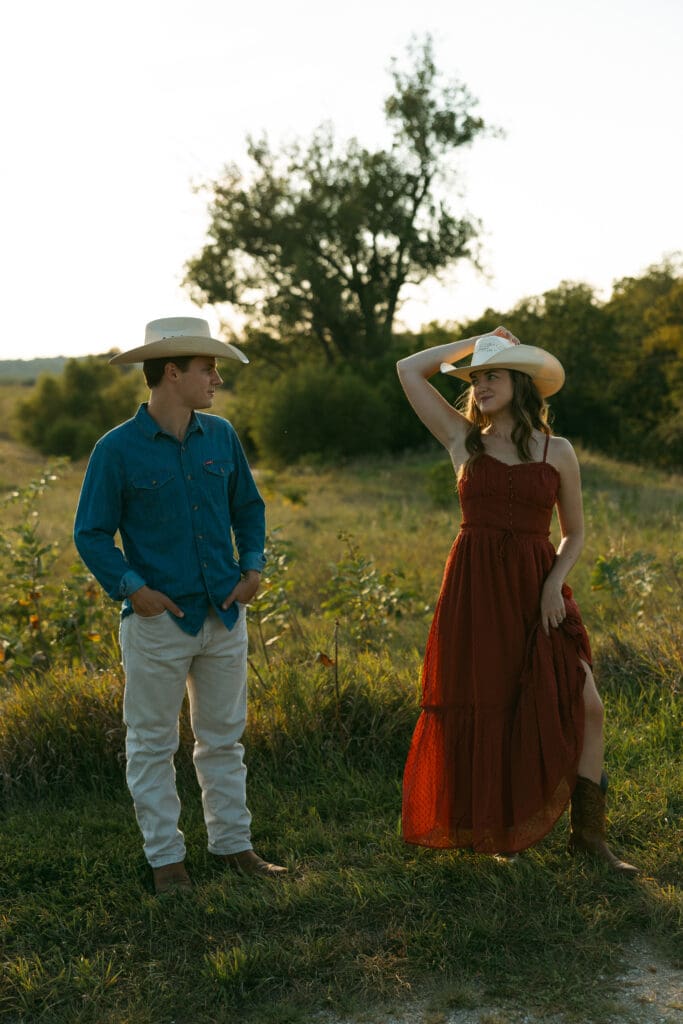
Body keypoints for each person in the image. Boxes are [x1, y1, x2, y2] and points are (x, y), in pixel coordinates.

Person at [396, 326, 638, 874]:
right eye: (475, 378)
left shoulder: (560, 451)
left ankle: (589, 838)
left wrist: (554, 584)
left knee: (586, 703)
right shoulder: (463, 440)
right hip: (474, 590)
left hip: (537, 589)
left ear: (520, 382)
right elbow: (409, 370)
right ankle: (495, 829)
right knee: (491, 704)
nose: (480, 386)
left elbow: (573, 533)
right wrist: (477, 342)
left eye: (493, 375)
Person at [74, 316, 287, 894]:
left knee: (223, 739)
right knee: (151, 742)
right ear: (172, 372)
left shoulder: (221, 437)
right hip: (158, 622)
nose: (216, 378)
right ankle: (166, 860)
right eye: (207, 367)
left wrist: (254, 568)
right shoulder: (115, 450)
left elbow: (250, 507)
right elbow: (90, 533)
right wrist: (133, 589)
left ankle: (233, 846)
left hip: (225, 613)